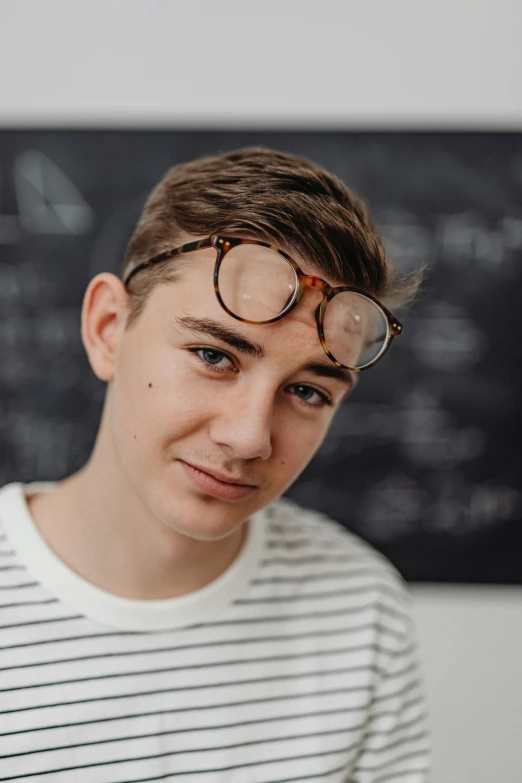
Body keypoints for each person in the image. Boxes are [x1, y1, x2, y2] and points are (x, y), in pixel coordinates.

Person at [0, 147, 430, 782]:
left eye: (309, 392)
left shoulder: (361, 612)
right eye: (213, 355)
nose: (249, 436)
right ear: (108, 328)